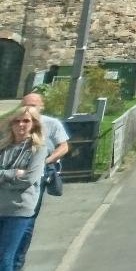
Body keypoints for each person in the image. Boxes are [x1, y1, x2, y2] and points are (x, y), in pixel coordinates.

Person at [12, 95, 65, 271]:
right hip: (12, 177)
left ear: (41, 107)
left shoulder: (51, 124)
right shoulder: (14, 123)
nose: (29, 108)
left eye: (33, 105)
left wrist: (46, 161)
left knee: (26, 219)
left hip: (39, 176)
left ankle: (17, 262)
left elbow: (63, 146)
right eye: (26, 105)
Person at [0, 107, 46, 271]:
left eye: (26, 121)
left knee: (5, 256)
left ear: (34, 124)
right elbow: (18, 177)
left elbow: (28, 179)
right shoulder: (3, 147)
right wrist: (13, 174)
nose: (21, 125)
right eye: (17, 121)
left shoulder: (38, 149)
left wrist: (3, 177)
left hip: (19, 210)